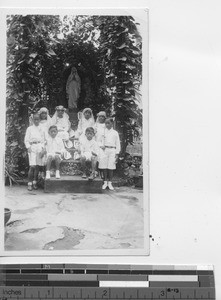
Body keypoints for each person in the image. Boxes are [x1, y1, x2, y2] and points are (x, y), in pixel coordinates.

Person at [24, 113, 45, 191]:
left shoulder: (42, 128)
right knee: (32, 166)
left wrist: (43, 149)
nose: (36, 121)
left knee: (37, 166)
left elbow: (43, 140)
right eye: (35, 119)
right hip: (32, 147)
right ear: (32, 120)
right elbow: (26, 140)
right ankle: (29, 183)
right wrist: (28, 147)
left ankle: (34, 182)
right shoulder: (29, 129)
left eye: (38, 119)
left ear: (40, 120)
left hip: (39, 147)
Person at [99, 118, 121, 190]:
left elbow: (118, 143)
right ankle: (105, 182)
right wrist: (101, 145)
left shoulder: (115, 133)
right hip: (105, 150)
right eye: (106, 123)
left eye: (108, 123)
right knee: (104, 167)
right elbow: (99, 141)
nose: (107, 125)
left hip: (112, 150)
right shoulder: (103, 132)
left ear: (112, 124)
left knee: (111, 167)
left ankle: (110, 182)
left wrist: (117, 153)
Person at [94, 111, 106, 179]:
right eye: (100, 116)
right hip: (96, 143)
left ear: (104, 118)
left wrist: (104, 145)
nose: (101, 118)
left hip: (103, 144)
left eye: (102, 116)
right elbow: (93, 135)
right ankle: (96, 171)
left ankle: (101, 171)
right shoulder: (95, 125)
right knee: (96, 154)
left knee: (102, 155)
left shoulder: (106, 125)